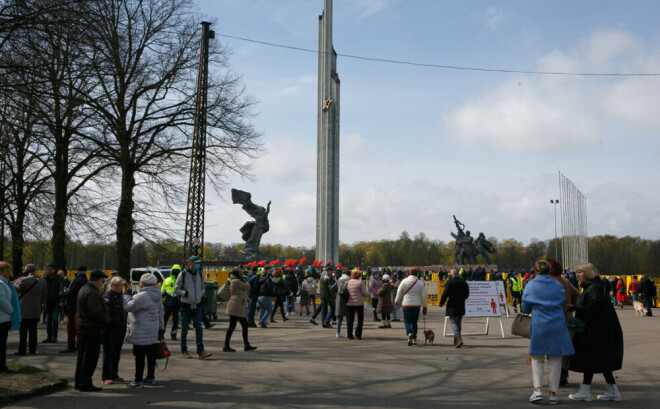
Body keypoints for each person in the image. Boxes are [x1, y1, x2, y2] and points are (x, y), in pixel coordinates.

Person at [568, 263, 624, 402]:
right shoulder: (597, 286)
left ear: (587, 273)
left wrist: (575, 307)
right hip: (602, 330)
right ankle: (612, 391)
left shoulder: (593, 288)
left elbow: (593, 308)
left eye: (580, 273)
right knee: (601, 361)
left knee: (590, 359)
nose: (577, 276)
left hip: (594, 330)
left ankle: (585, 391)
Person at [521, 260, 574, 405]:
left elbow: (525, 307)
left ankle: (537, 390)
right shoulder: (557, 284)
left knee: (537, 358)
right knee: (555, 359)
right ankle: (553, 394)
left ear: (536, 271)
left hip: (539, 325)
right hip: (557, 324)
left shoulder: (531, 285)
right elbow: (563, 300)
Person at [124, 273, 164, 388]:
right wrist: (161, 328)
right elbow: (161, 312)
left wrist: (126, 294)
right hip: (153, 329)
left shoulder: (141, 296)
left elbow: (127, 307)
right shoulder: (158, 295)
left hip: (140, 330)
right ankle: (150, 377)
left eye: (140, 282)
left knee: (139, 356)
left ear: (144, 283)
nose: (139, 283)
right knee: (151, 354)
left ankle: (138, 380)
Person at [546, 257, 580, 387]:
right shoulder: (565, 281)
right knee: (563, 348)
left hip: (551, 319)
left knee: (552, 349)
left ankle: (555, 376)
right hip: (567, 318)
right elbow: (578, 295)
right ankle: (563, 374)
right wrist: (570, 305)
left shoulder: (547, 281)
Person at [74, 269, 109, 392]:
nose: (102, 283)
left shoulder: (84, 289)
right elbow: (95, 312)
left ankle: (79, 381)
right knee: (90, 358)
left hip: (83, 327)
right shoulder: (92, 292)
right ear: (98, 280)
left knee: (82, 357)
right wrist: (106, 320)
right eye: (102, 280)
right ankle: (85, 383)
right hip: (91, 328)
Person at [174, 256, 212, 359]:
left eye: (199, 263)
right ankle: (184, 351)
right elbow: (176, 289)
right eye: (196, 263)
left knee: (199, 328)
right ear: (190, 263)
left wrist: (202, 294)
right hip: (186, 305)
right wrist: (184, 293)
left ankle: (200, 351)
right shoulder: (183, 274)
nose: (198, 265)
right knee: (185, 329)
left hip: (197, 305)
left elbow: (202, 286)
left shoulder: (200, 274)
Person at [14, 264, 46, 355]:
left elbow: (16, 287)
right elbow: (45, 294)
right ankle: (33, 349)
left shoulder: (24, 280)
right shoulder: (42, 281)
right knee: (33, 330)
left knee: (23, 330)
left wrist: (17, 281)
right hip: (36, 309)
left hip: (24, 308)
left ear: (26, 271)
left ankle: (22, 349)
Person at [223, 269, 257, 352]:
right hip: (235, 306)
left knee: (235, 326)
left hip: (237, 305)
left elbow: (240, 292)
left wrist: (247, 299)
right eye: (241, 272)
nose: (242, 272)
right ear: (237, 274)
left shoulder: (237, 280)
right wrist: (246, 280)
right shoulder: (236, 281)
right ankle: (228, 345)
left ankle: (244, 345)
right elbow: (247, 286)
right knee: (238, 326)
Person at [102, 276, 127, 385]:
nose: (118, 287)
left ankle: (114, 374)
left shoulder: (122, 296)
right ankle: (105, 376)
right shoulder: (107, 296)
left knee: (116, 353)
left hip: (120, 327)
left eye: (120, 285)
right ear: (111, 286)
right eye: (116, 285)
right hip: (109, 328)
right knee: (108, 353)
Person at [394, 267, 427, 346]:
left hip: (406, 304)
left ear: (409, 273)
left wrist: (396, 301)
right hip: (416, 305)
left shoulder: (404, 281)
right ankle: (414, 338)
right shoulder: (420, 283)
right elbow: (423, 296)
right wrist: (425, 306)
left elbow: (399, 293)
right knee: (414, 322)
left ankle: (409, 334)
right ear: (417, 273)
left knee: (407, 321)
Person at [439, 269, 470, 348]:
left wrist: (441, 303)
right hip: (461, 305)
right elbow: (467, 295)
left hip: (452, 305)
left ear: (451, 275)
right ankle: (457, 340)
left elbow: (445, 294)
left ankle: (458, 337)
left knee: (453, 322)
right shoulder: (464, 283)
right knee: (458, 322)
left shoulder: (450, 282)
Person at [61, 266, 88, 353]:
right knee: (79, 327)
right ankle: (78, 344)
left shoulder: (77, 280)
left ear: (78, 271)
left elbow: (72, 292)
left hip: (73, 306)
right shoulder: (86, 281)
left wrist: (63, 294)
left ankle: (70, 345)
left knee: (71, 327)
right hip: (81, 307)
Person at [0, 262, 17, 373]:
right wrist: (11, 310)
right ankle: (2, 367)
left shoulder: (4, 283)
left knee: (2, 344)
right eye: (7, 271)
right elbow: (1, 300)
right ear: (1, 271)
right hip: (2, 319)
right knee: (1, 345)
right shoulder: (1, 283)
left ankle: (2, 366)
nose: (9, 273)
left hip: (4, 318)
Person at [43, 263, 64, 343]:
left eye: (50, 269)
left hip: (56, 301)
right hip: (47, 302)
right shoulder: (45, 279)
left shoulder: (59, 278)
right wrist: (42, 301)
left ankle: (54, 337)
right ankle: (49, 336)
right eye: (47, 269)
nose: (48, 271)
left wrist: (62, 301)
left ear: (54, 270)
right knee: (48, 320)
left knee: (55, 319)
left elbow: (61, 290)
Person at [345, 269, 368, 340]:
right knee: (360, 319)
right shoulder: (360, 282)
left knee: (350, 319)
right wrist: (368, 293)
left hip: (349, 302)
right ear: (359, 275)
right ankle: (358, 334)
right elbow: (364, 293)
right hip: (359, 303)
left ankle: (349, 334)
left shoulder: (348, 282)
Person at [160, 264, 181, 341]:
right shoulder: (167, 280)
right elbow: (162, 292)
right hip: (168, 303)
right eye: (174, 271)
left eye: (177, 271)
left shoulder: (181, 281)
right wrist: (160, 302)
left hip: (177, 303)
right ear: (172, 271)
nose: (176, 272)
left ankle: (173, 335)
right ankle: (161, 334)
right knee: (164, 319)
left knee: (175, 320)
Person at [333, 268, 351, 338]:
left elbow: (332, 288)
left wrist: (335, 296)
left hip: (339, 299)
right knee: (349, 317)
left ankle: (338, 333)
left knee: (339, 318)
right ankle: (348, 333)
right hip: (347, 299)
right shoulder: (349, 280)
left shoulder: (339, 279)